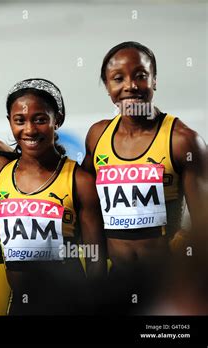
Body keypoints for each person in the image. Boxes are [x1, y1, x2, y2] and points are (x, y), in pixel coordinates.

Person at [81, 41, 208, 313]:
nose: (131, 86)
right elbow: (79, 195)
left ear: (155, 81)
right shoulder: (97, 136)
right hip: (115, 278)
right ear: (107, 86)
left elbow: (204, 227)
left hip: (165, 281)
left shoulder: (182, 141)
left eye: (141, 75)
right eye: (118, 78)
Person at [0, 78, 106, 314]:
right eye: (20, 120)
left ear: (57, 120)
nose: (29, 129)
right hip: (19, 305)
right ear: (10, 122)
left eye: (40, 119)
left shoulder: (79, 181)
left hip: (70, 304)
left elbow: (96, 259)